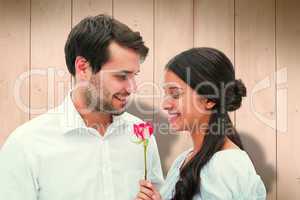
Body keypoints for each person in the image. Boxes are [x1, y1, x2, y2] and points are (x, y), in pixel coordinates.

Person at [0, 14, 164, 200]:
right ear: (83, 67)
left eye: (134, 75)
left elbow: (159, 192)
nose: (132, 88)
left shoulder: (142, 135)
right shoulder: (26, 145)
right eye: (121, 76)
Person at [136, 47, 266, 200]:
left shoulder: (226, 165)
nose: (165, 104)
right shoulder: (184, 160)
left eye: (175, 94)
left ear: (209, 99)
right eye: (166, 94)